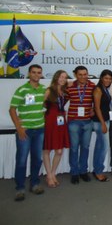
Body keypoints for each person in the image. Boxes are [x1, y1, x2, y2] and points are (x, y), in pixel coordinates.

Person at [9, 64, 46, 201]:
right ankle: (20, 188)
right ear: (29, 73)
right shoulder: (22, 90)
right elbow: (12, 109)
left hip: (40, 130)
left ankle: (35, 184)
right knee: (22, 160)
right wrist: (18, 127)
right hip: (25, 131)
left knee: (37, 159)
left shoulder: (43, 90)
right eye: (34, 72)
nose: (36, 75)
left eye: (39, 72)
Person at [67, 65, 96, 184]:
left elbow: (97, 101)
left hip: (88, 122)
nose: (83, 77)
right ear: (75, 75)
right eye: (80, 75)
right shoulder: (69, 87)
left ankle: (83, 171)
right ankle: (74, 172)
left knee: (85, 147)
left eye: (85, 74)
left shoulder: (93, 86)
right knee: (74, 148)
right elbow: (61, 100)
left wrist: (93, 108)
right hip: (73, 121)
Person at [43, 70, 70, 188]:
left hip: (61, 120)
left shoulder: (65, 91)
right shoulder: (49, 90)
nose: (63, 79)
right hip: (51, 120)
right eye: (61, 77)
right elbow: (41, 105)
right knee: (47, 149)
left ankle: (53, 173)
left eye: (65, 77)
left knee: (59, 150)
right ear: (56, 77)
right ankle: (49, 175)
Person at [92, 69, 112, 182]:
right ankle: (99, 171)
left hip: (105, 121)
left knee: (99, 146)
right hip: (100, 122)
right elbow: (96, 108)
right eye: (106, 78)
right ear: (101, 78)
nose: (108, 80)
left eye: (110, 78)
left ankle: (97, 169)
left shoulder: (105, 89)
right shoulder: (98, 90)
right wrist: (103, 123)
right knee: (104, 147)